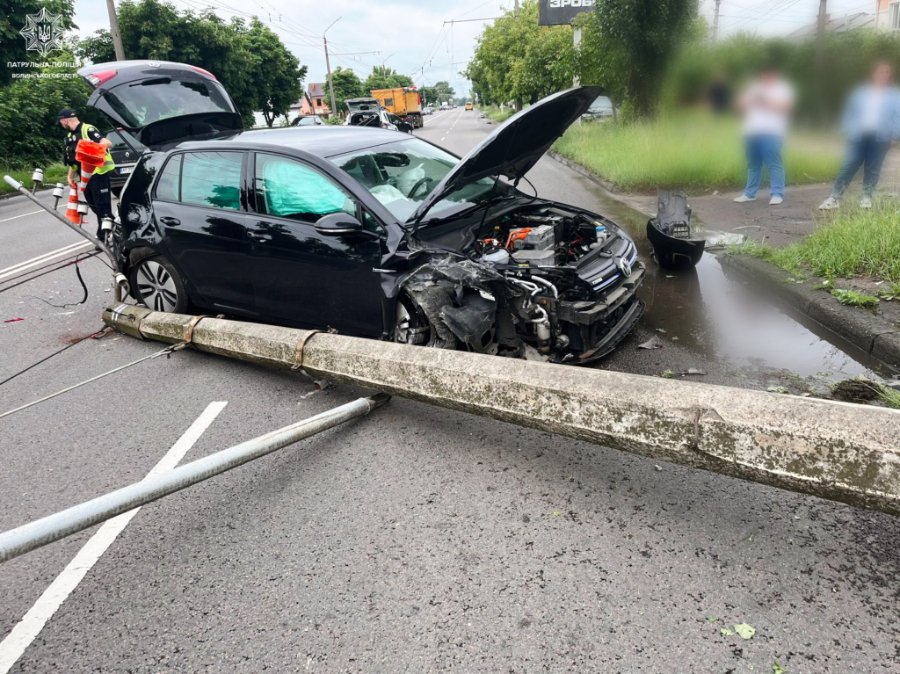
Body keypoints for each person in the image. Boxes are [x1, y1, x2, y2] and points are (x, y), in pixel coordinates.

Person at [819, 61, 900, 210]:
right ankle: (834, 197)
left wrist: (895, 135)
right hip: (858, 134)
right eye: (880, 71)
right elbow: (849, 111)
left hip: (881, 136)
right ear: (873, 73)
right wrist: (847, 130)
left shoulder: (895, 95)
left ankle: (866, 197)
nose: (883, 75)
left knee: (873, 167)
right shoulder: (860, 92)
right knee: (849, 164)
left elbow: (898, 116)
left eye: (886, 72)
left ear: (890, 75)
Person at [733, 65, 795, 206]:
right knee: (753, 165)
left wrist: (764, 101)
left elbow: (786, 107)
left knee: (774, 164)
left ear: (774, 75)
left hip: (772, 133)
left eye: (769, 74)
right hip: (751, 132)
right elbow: (740, 106)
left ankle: (777, 194)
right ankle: (749, 194)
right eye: (763, 74)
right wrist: (746, 99)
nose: (766, 77)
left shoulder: (782, 88)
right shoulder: (753, 87)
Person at [58, 108, 116, 239]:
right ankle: (116, 227)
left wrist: (92, 147)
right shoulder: (70, 136)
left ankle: (103, 238)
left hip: (98, 174)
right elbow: (74, 160)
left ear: (65, 120)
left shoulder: (87, 129)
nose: (61, 125)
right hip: (85, 178)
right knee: (95, 207)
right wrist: (70, 176)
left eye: (61, 122)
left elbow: (108, 143)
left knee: (103, 208)